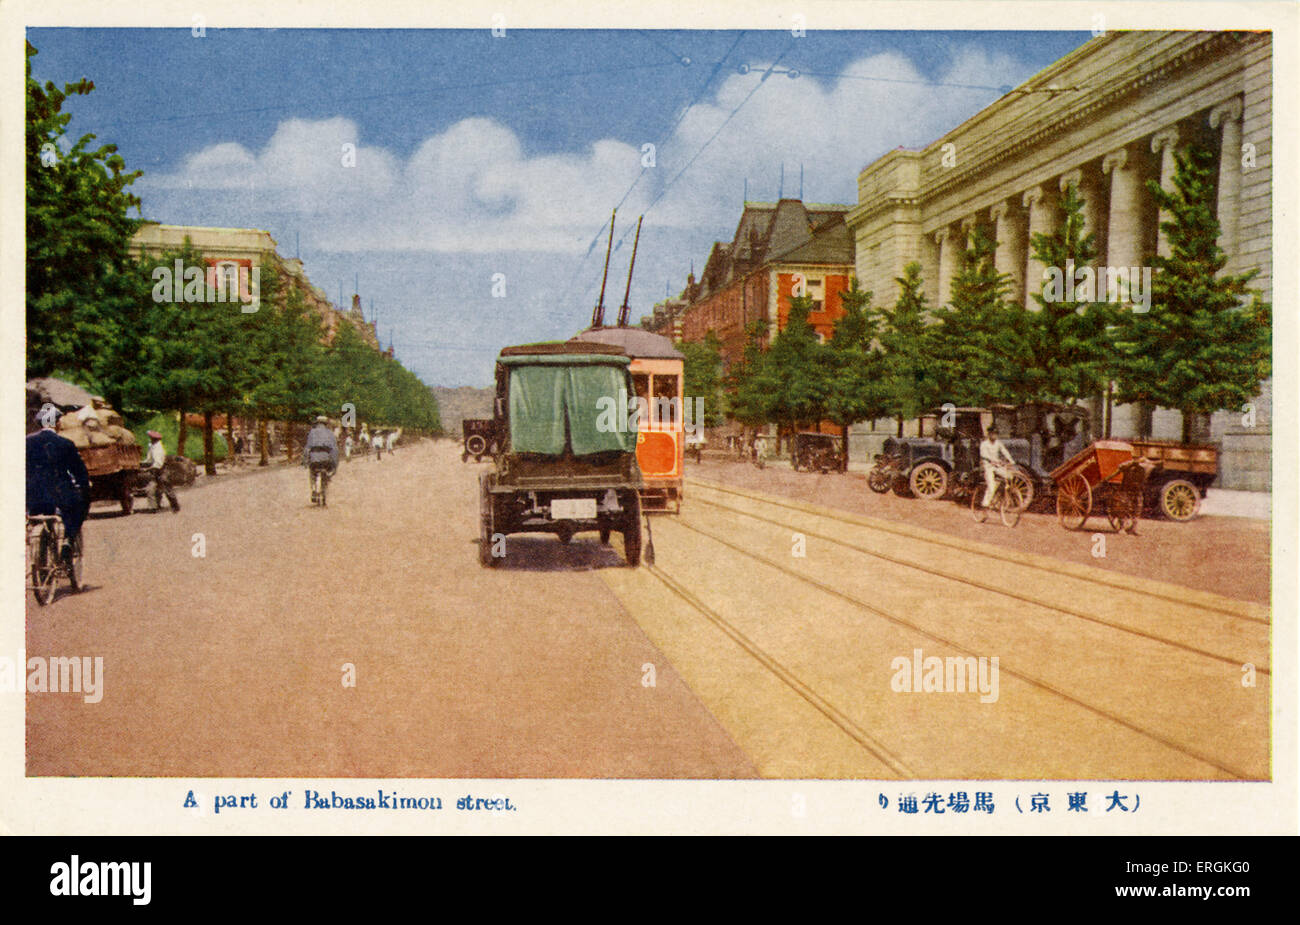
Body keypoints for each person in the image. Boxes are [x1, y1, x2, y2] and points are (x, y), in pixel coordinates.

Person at [26, 403, 92, 566]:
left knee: (38, 517)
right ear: (57, 423)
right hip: (61, 492)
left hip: (34, 496)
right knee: (78, 508)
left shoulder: (27, 442)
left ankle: (40, 560)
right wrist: (85, 488)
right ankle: (68, 541)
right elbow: (79, 472)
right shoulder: (65, 443)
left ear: (40, 423)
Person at [143, 429, 181, 512]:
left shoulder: (158, 449)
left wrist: (148, 469)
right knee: (151, 488)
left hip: (162, 470)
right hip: (155, 471)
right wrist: (143, 463)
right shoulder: (152, 446)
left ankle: (175, 506)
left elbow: (158, 463)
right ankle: (154, 507)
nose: (150, 439)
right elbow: (149, 459)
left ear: (155, 439)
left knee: (167, 489)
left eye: (151, 438)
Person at [979, 426, 1017, 508]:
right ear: (989, 434)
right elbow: (983, 455)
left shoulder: (998, 443)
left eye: (996, 434)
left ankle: (1000, 497)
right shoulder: (984, 444)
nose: (994, 436)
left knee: (1009, 477)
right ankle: (985, 503)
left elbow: (1004, 451)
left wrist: (1011, 460)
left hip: (997, 466)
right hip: (988, 467)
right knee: (991, 487)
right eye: (992, 434)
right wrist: (992, 460)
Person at [303, 415, 339, 501]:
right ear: (326, 424)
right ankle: (324, 490)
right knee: (327, 473)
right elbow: (334, 450)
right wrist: (335, 465)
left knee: (312, 473)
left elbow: (307, 448)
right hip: (326, 459)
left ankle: (314, 489)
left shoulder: (312, 432)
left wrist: (305, 461)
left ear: (317, 423)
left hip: (314, 459)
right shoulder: (330, 433)